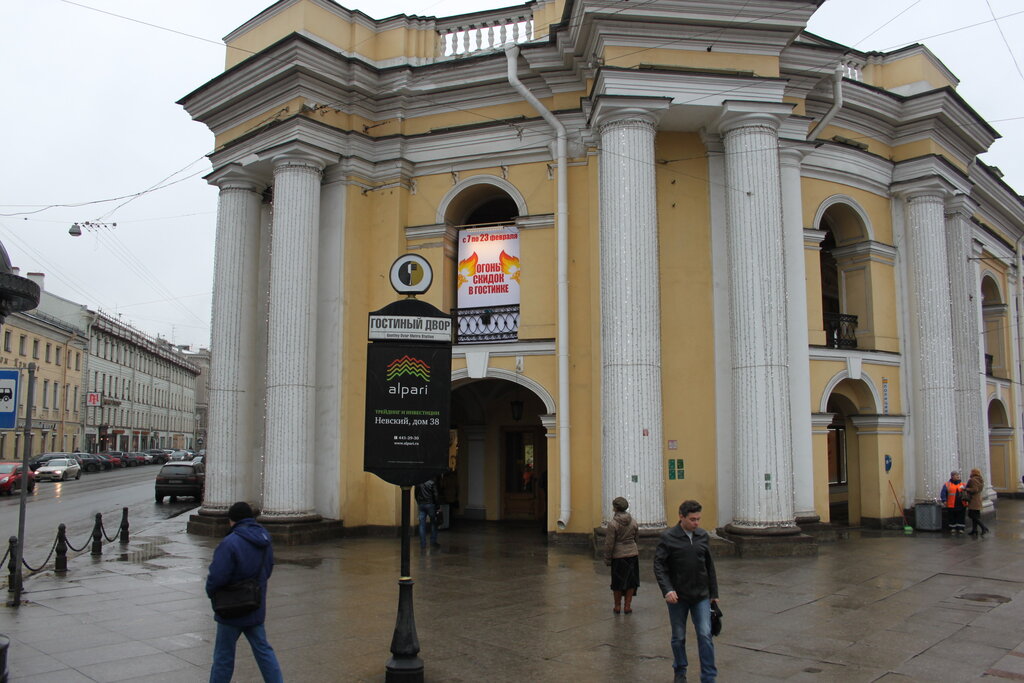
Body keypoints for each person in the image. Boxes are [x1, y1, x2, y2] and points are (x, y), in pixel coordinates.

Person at [206, 502, 283, 683]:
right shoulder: (264, 539)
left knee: (223, 657)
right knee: (264, 651)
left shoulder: (230, 543)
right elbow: (268, 569)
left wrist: (211, 593)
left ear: (232, 521)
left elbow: (217, 577)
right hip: (254, 604)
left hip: (230, 608)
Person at [654, 500, 719, 683]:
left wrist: (714, 593)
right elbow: (659, 565)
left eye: (698, 519)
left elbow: (709, 565)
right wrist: (667, 590)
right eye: (692, 519)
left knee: (705, 635)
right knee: (678, 636)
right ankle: (680, 670)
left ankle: (708, 676)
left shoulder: (702, 536)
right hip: (678, 597)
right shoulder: (668, 537)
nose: (696, 523)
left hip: (701, 596)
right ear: (681, 517)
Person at [604, 496, 640, 614]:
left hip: (618, 555)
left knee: (617, 582)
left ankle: (617, 606)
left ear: (615, 508)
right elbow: (636, 538)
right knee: (631, 581)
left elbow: (609, 543)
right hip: (632, 553)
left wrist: (608, 558)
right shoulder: (633, 521)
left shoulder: (613, 524)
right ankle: (627, 606)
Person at [415, 477, 440, 548]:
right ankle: (433, 541)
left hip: (421, 505)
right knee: (433, 523)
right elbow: (436, 495)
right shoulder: (432, 482)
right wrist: (437, 506)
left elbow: (416, 494)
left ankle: (423, 543)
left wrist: (419, 502)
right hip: (431, 504)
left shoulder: (418, 483)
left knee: (422, 525)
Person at [965, 468, 990, 536]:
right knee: (976, 515)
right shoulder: (980, 479)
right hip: (978, 499)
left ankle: (983, 527)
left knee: (972, 515)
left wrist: (966, 489)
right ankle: (974, 530)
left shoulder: (972, 480)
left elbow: (974, 489)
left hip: (973, 500)